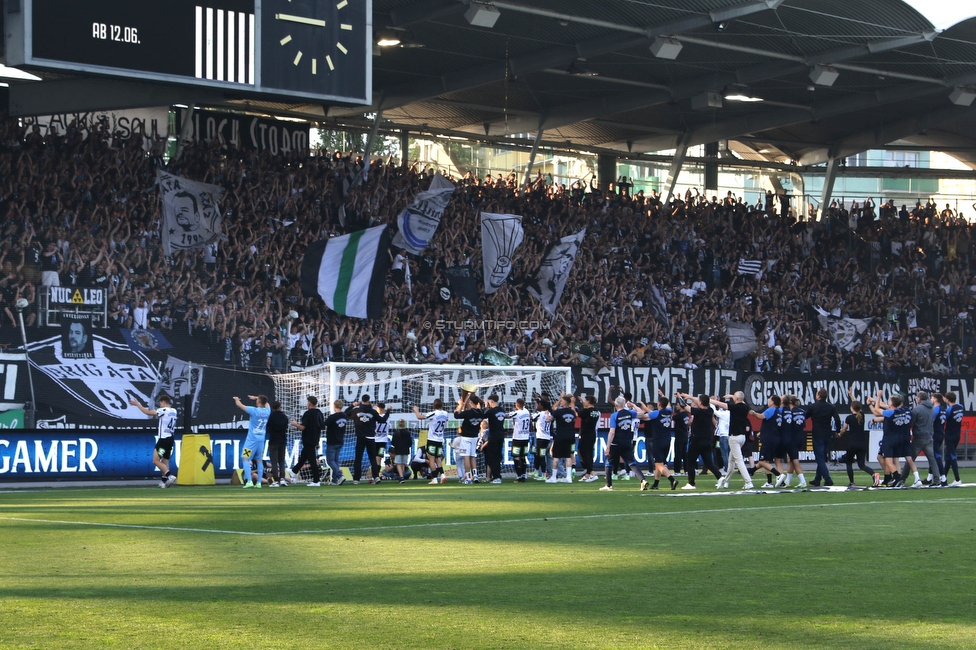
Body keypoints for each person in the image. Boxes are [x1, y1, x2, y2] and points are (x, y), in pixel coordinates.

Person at [128, 394, 179, 488]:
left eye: (160, 403)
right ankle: (163, 483)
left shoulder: (163, 410)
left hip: (163, 439)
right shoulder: (174, 411)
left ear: (163, 402)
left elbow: (147, 412)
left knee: (155, 461)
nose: (160, 405)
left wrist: (137, 404)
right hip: (170, 438)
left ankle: (170, 476)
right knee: (165, 461)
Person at [675, 393, 724, 489]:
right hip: (707, 441)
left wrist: (680, 397)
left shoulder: (697, 412)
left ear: (700, 402)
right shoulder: (710, 411)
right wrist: (689, 397)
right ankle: (719, 477)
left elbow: (684, 406)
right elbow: (702, 403)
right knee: (709, 463)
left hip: (697, 441)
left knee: (690, 462)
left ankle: (691, 483)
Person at [600, 396, 648, 491]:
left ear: (616, 405)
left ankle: (609, 485)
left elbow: (612, 432)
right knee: (631, 462)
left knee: (609, 463)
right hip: (627, 442)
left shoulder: (614, 415)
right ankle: (643, 480)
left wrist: (608, 446)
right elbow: (642, 414)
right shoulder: (630, 413)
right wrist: (634, 405)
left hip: (616, 442)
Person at [634, 391, 679, 490]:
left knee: (658, 464)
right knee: (659, 463)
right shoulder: (669, 411)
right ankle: (656, 484)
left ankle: (672, 480)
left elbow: (643, 416)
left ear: (658, 404)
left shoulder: (656, 413)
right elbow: (668, 404)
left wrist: (635, 409)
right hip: (667, 439)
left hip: (658, 441)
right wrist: (662, 395)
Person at [867, 391, 912, 488]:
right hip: (899, 438)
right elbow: (883, 407)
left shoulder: (890, 413)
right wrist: (874, 400)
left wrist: (878, 397)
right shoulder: (902, 410)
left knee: (888, 460)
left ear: (892, 403)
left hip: (889, 438)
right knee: (889, 458)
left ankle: (897, 478)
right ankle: (889, 478)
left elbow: (877, 410)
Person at [712, 392, 754, 490]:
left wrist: (710, 400)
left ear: (736, 398)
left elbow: (720, 404)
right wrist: (732, 396)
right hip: (742, 437)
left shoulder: (735, 407)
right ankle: (726, 482)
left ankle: (748, 482)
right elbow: (741, 399)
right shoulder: (745, 407)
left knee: (738, 460)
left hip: (734, 437)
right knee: (731, 461)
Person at [837, 391, 876, 488]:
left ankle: (852, 482)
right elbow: (856, 405)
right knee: (862, 465)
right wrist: (851, 395)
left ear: (851, 408)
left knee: (849, 463)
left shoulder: (849, 418)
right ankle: (874, 475)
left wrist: (839, 434)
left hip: (852, 444)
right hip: (862, 443)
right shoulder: (862, 415)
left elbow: (844, 430)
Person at [906, 391, 944, 488]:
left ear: (919, 398)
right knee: (932, 460)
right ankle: (937, 480)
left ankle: (902, 478)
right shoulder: (932, 409)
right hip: (929, 437)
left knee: (910, 459)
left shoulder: (917, 409)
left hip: (919, 437)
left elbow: (911, 424)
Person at [233, 394, 271, 489]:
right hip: (261, 440)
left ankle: (249, 481)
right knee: (259, 460)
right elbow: (267, 404)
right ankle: (258, 483)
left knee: (245, 459)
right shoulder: (267, 411)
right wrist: (258, 398)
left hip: (251, 441)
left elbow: (240, 405)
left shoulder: (254, 411)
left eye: (257, 400)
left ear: (258, 402)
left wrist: (237, 399)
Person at [806, 388, 841, 487]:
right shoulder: (831, 407)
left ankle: (828, 479)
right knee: (822, 457)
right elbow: (837, 419)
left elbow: (804, 416)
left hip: (817, 434)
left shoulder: (813, 407)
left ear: (818, 396)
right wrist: (837, 431)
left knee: (819, 458)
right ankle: (817, 479)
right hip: (828, 434)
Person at [751, 395, 785, 489]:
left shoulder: (771, 409)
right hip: (775, 438)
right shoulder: (779, 412)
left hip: (769, 439)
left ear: (773, 402)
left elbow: (761, 416)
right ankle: (769, 482)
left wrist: (753, 413)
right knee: (766, 461)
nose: (768, 401)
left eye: (769, 400)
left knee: (762, 461)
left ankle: (778, 475)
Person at [289, 395, 325, 487]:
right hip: (315, 439)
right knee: (304, 457)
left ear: (309, 403)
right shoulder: (319, 413)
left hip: (308, 440)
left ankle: (316, 481)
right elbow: (323, 426)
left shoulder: (308, 414)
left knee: (312, 461)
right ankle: (294, 471)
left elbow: (302, 427)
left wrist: (295, 424)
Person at [413, 399, 449, 484]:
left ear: (434, 405)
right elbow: (445, 420)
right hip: (440, 439)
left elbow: (419, 417)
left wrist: (416, 410)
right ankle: (443, 475)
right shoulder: (445, 413)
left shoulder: (433, 414)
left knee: (431, 459)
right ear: (442, 405)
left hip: (432, 439)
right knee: (438, 459)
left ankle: (435, 478)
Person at [347, 395, 380, 484]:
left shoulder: (356, 410)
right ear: (369, 401)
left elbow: (345, 414)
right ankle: (376, 477)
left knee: (358, 458)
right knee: (372, 458)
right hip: (371, 437)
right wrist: (388, 411)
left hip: (360, 437)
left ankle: (356, 479)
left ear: (361, 400)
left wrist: (352, 405)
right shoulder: (373, 412)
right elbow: (382, 420)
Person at [454, 393, 485, 484]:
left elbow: (456, 415)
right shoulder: (481, 412)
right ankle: (475, 476)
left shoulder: (468, 413)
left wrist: (460, 405)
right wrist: (466, 404)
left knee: (466, 457)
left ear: (471, 402)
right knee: (472, 457)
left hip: (466, 437)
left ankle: (468, 478)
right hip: (475, 437)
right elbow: (473, 412)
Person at [547, 394, 578, 484]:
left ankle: (553, 477)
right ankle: (568, 477)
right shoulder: (572, 412)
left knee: (556, 456)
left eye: (561, 401)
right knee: (568, 456)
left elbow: (549, 419)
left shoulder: (558, 412)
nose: (560, 402)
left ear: (564, 403)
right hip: (570, 436)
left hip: (560, 436)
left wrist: (546, 416)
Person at [482, 393, 507, 483]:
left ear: (491, 401)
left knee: (493, 457)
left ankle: (497, 477)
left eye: (489, 402)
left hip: (494, 436)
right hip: (501, 435)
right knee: (498, 456)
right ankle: (496, 476)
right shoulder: (502, 410)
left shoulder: (491, 411)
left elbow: (484, 415)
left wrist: (485, 407)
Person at [507, 398, 532, 482]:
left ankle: (519, 476)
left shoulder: (516, 413)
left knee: (516, 457)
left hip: (518, 438)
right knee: (523, 456)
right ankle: (524, 474)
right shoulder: (527, 412)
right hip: (526, 438)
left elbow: (507, 415)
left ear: (517, 404)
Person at [577, 395, 601, 482]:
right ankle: (587, 474)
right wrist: (582, 403)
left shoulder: (586, 411)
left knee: (583, 453)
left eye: (585, 400)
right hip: (593, 434)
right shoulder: (596, 411)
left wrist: (572, 404)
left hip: (586, 435)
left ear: (588, 402)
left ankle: (592, 473)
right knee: (589, 453)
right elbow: (587, 411)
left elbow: (578, 414)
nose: (584, 402)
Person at [324, 400, 348, 485]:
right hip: (340, 440)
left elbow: (325, 425)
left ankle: (339, 476)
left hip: (332, 440)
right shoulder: (344, 416)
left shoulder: (332, 417)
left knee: (330, 461)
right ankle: (334, 480)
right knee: (336, 461)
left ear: (335, 406)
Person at [942, 391, 963, 487]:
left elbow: (944, 419)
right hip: (957, 434)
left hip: (950, 435)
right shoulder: (960, 407)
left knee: (952, 456)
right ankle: (944, 477)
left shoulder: (949, 410)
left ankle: (957, 478)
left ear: (947, 399)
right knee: (948, 457)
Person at [266, 400, 289, 487]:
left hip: (274, 441)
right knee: (282, 461)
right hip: (282, 441)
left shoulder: (271, 417)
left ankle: (276, 480)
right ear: (280, 407)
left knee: (274, 461)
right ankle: (282, 478)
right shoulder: (284, 417)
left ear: (272, 407)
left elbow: (268, 426)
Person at [530, 397, 553, 480]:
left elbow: (531, 417)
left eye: (537, 404)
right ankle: (537, 471)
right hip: (546, 437)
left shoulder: (541, 414)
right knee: (539, 455)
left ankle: (543, 474)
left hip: (541, 438)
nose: (536, 406)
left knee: (541, 456)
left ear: (541, 405)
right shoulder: (549, 414)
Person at [391, 419, 413, 483]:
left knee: (398, 463)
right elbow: (410, 443)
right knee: (403, 463)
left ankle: (401, 477)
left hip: (398, 450)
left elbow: (393, 442)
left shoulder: (396, 433)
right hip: (405, 450)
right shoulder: (407, 432)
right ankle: (402, 476)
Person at [373, 402, 391, 480]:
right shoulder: (388, 417)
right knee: (379, 459)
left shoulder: (375, 417)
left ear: (378, 408)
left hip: (374, 440)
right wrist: (389, 410)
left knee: (374, 459)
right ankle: (376, 476)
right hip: (383, 440)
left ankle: (375, 476)